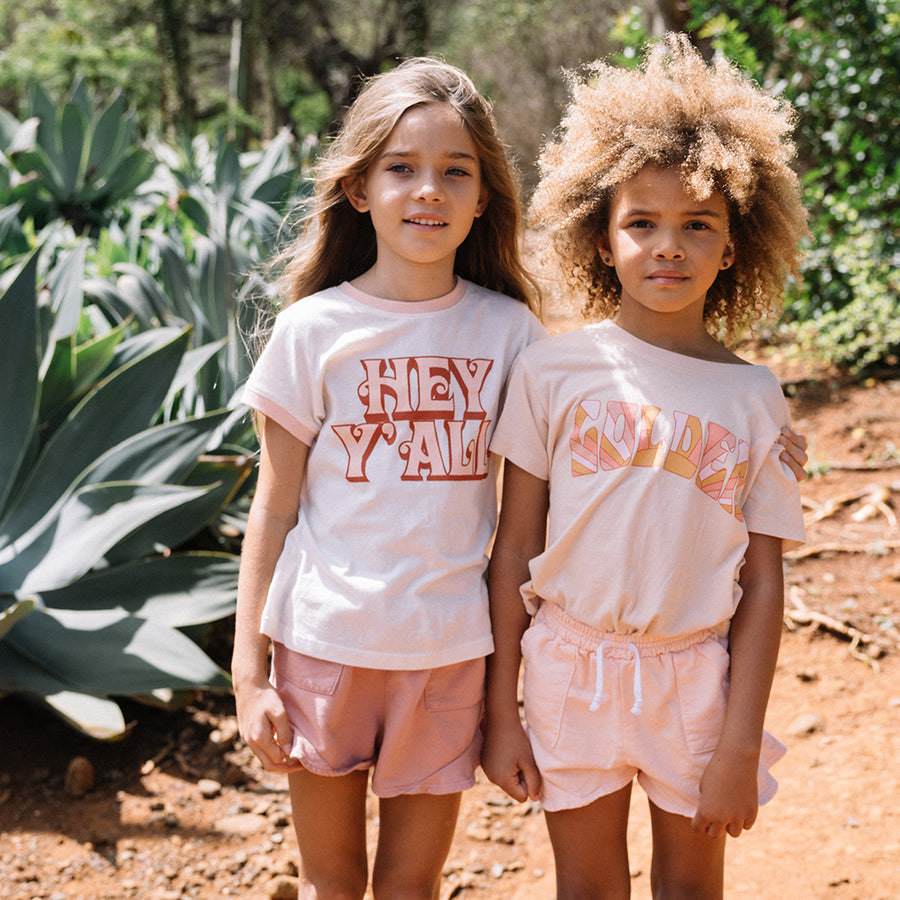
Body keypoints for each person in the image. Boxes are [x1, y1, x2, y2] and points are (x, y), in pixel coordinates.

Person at [482, 35, 809, 899]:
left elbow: (764, 583)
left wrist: (740, 744)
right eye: (642, 223)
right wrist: (500, 710)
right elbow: (513, 550)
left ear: (733, 247)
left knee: (691, 889)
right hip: (569, 670)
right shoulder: (551, 372)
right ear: (601, 238)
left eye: (698, 224)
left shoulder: (755, 399)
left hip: (695, 681)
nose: (669, 245)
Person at [231, 58, 547, 899]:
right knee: (331, 881)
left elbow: (530, 522)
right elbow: (273, 509)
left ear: (483, 197)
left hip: (450, 655)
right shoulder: (312, 330)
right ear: (359, 188)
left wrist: (755, 432)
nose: (428, 190)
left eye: (456, 171)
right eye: (401, 167)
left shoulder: (512, 334)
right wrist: (248, 674)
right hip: (322, 646)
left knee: (412, 884)